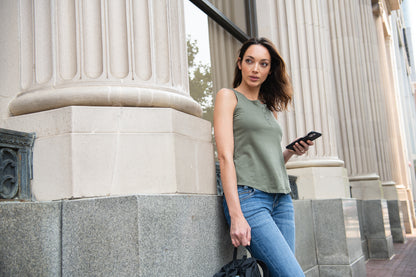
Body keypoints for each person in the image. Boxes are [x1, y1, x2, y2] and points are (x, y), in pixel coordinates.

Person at [213, 37, 314, 277]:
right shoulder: (228, 97)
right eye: (250, 61)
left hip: (282, 199)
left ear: (270, 70)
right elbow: (225, 157)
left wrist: (290, 151)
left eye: (263, 64)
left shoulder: (269, 108)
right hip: (250, 200)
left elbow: (270, 159)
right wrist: (236, 215)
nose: (255, 69)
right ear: (240, 64)